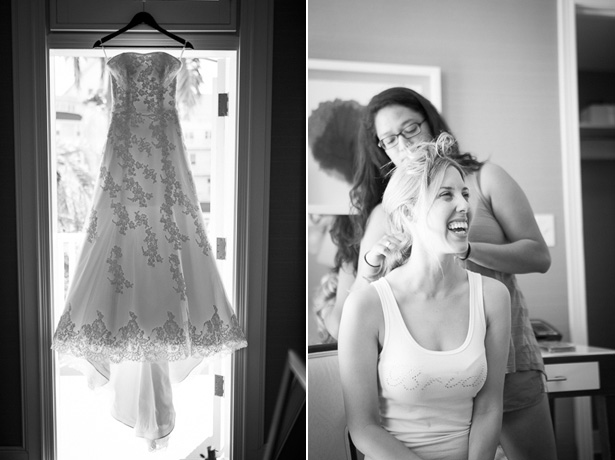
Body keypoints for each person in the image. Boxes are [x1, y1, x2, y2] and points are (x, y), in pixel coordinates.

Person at [329, 87, 558, 459]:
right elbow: (356, 308)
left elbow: (538, 255)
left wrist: (465, 249)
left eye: (410, 129)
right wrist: (370, 267)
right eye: (389, 139)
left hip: (504, 351)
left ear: (430, 124)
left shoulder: (484, 179)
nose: (402, 144)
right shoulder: (387, 212)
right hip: (426, 372)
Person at [338, 134, 511, 460]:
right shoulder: (366, 306)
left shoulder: (493, 296)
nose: (464, 205)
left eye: (464, 193)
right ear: (407, 215)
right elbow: (362, 427)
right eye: (446, 195)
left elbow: (489, 407)